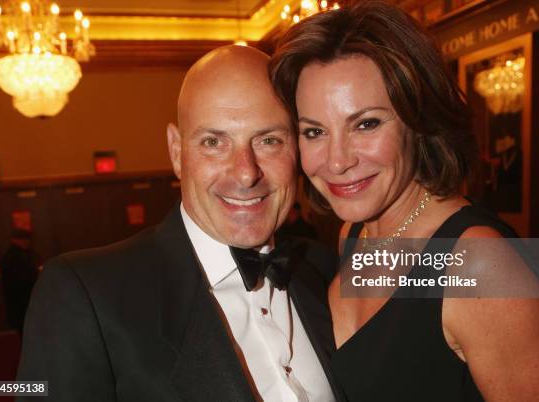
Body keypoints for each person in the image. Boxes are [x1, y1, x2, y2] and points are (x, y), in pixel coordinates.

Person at [270, 2, 539, 401]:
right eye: (314, 132)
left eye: (366, 124)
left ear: (418, 120)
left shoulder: (480, 265)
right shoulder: (353, 235)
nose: (338, 161)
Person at [18, 46, 343, 402]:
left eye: (269, 140)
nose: (246, 172)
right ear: (176, 152)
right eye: (214, 142)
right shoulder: (84, 296)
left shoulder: (324, 267)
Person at [0, 228, 39, 335]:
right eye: (25, 239)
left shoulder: (14, 256)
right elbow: (22, 281)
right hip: (22, 302)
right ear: (16, 240)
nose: (28, 241)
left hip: (20, 303)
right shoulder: (16, 257)